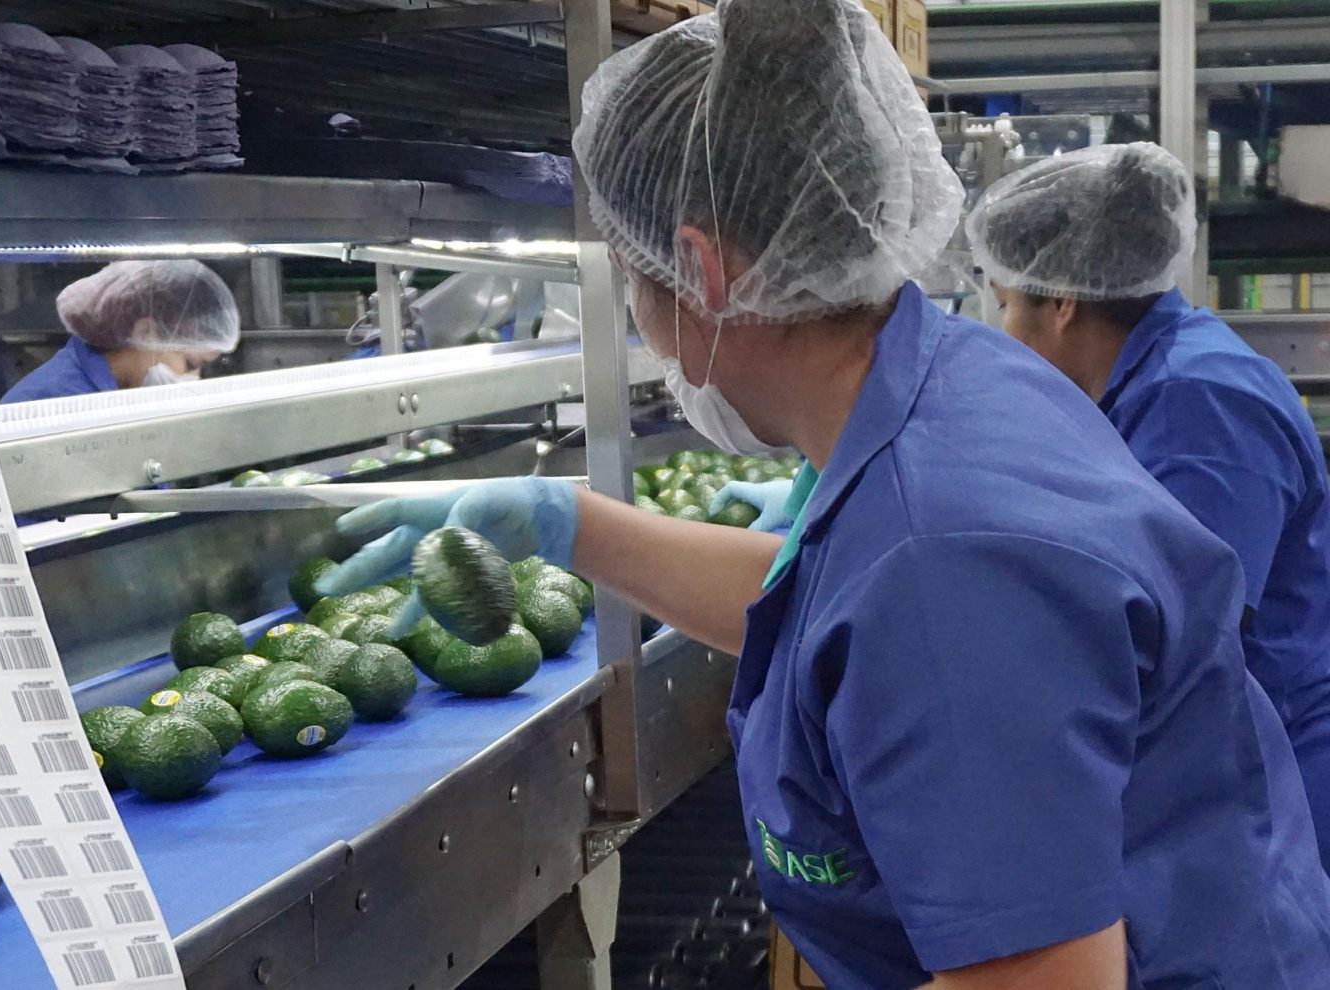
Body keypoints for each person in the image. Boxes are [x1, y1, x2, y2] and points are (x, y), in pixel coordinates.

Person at [316, 0, 1330, 986]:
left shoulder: (943, 561)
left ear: (700, 270)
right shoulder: (947, 377)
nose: (638, 313)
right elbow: (825, 603)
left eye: (633, 276)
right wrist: (572, 523)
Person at [963, 141, 1330, 870]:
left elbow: (1175, 633)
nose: (1000, 335)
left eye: (1006, 306)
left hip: (1277, 780)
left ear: (1061, 301)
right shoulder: (1148, 383)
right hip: (1224, 773)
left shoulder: (1201, 401)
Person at [0, 260, 239, 403]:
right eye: (190, 363)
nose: (194, 378)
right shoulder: (59, 401)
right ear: (146, 333)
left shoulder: (121, 395)